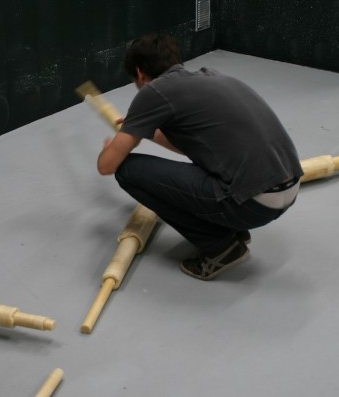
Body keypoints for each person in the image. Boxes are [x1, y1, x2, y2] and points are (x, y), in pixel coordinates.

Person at [97, 32, 303, 280]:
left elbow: (107, 165)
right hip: (287, 190)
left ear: (140, 73)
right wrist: (143, 129)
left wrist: (112, 147)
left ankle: (220, 247)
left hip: (252, 204)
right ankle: (231, 228)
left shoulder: (154, 92)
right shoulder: (211, 76)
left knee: (127, 171)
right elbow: (196, 147)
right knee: (209, 161)